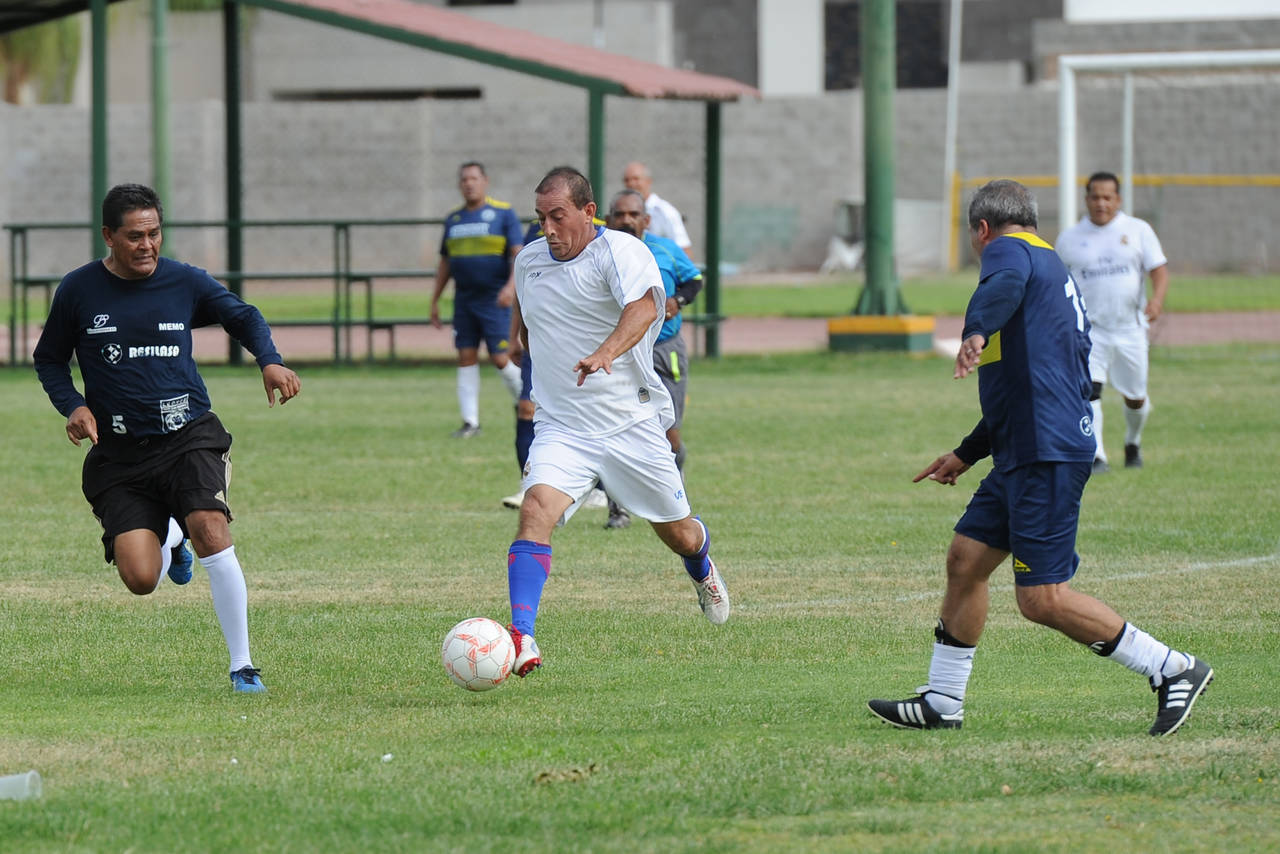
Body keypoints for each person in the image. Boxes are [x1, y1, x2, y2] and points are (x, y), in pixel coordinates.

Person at [867, 179, 1211, 736]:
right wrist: (967, 453)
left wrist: (975, 330)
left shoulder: (1009, 251)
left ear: (982, 229)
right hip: (1027, 447)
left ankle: (1171, 668)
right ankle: (943, 701)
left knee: (1042, 599)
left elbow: (1001, 285)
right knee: (966, 560)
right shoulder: (1050, 267)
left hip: (1045, 453)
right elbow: (1030, 385)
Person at [32, 183, 301, 694]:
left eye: (154, 233)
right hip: (119, 455)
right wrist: (74, 406)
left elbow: (242, 315)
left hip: (188, 435)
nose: (147, 245)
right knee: (140, 579)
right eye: (135, 236)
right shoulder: (79, 290)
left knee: (211, 528)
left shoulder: (183, 280)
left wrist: (269, 360)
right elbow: (49, 359)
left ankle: (242, 665)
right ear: (109, 236)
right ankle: (172, 538)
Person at [503, 166, 729, 677]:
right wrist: (525, 349)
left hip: (630, 423)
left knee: (679, 534)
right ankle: (521, 636)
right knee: (535, 509)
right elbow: (530, 319)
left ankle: (701, 568)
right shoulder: (529, 260)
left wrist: (605, 352)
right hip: (563, 426)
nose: (548, 229)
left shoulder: (621, 252)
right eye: (540, 218)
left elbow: (645, 309)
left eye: (558, 216)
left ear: (588, 212)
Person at [603, 188, 704, 529]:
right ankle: (618, 509)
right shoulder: (600, 253)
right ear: (608, 219)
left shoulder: (666, 249)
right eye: (620, 214)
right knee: (616, 429)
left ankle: (675, 501)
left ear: (646, 220)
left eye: (634, 214)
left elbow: (694, 281)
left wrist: (677, 301)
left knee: (669, 433)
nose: (627, 220)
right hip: (620, 352)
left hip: (664, 349)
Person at [1055, 171, 1169, 472]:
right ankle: (1097, 455)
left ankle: (1133, 442)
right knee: (1090, 390)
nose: (1101, 203)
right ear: (1086, 199)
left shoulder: (1138, 230)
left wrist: (1156, 301)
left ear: (1118, 199)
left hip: (1130, 329)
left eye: (1107, 197)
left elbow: (1158, 270)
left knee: (1135, 397)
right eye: (1095, 197)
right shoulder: (1069, 238)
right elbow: (1056, 282)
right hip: (1089, 331)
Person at [431, 161, 525, 438]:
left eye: (474, 178)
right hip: (464, 300)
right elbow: (446, 262)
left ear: (485, 181)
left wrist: (510, 287)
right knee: (466, 356)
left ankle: (527, 402)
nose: (469, 184)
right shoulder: (454, 219)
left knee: (501, 357)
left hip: (495, 300)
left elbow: (518, 254)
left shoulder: (503, 214)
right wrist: (435, 299)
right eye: (464, 179)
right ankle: (470, 422)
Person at [622, 161, 693, 256]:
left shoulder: (665, 211)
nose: (631, 184)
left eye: (636, 179)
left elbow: (684, 250)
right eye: (627, 180)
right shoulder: (621, 212)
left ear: (648, 181)